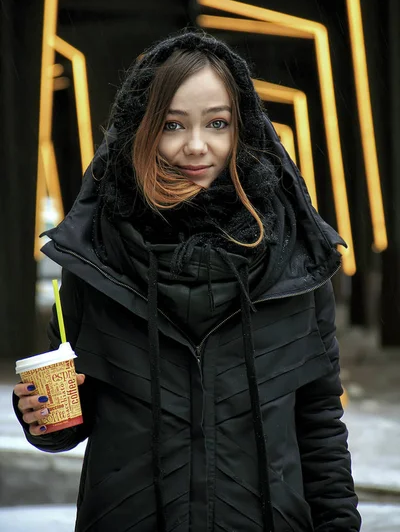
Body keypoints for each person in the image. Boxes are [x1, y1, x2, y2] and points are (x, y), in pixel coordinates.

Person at [13, 30, 361, 532]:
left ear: (243, 130)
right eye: (173, 125)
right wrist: (39, 415)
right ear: (142, 130)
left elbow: (320, 427)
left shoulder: (297, 266)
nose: (197, 147)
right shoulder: (96, 264)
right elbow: (69, 424)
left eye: (217, 123)